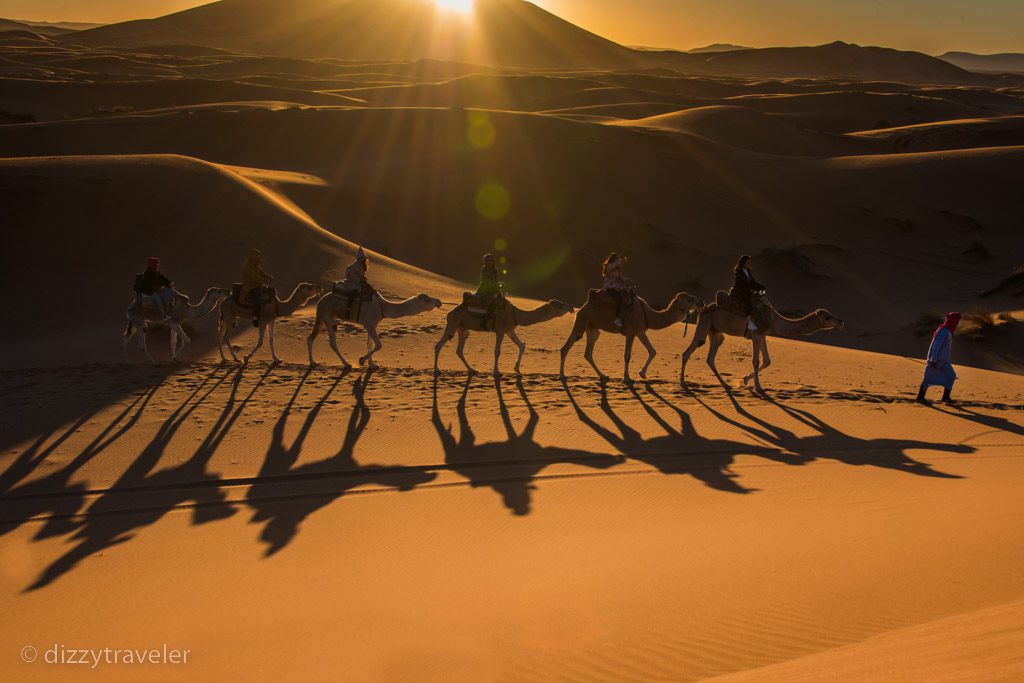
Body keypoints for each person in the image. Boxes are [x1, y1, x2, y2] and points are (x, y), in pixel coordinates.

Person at [917, 312, 961, 404]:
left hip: (944, 360)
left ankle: (945, 397)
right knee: (927, 378)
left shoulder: (948, 331)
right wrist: (933, 360)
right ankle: (920, 397)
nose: (957, 322)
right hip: (936, 360)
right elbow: (936, 346)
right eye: (956, 320)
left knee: (951, 376)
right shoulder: (943, 331)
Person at [730, 254, 765, 337]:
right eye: (747, 262)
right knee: (748, 301)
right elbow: (743, 283)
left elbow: (752, 282)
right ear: (743, 262)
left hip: (747, 290)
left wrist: (761, 287)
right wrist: (753, 288)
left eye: (749, 262)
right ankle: (749, 323)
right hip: (739, 291)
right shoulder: (739, 271)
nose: (749, 263)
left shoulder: (748, 271)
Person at [336, 247, 371, 319]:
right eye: (363, 258)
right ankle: (348, 309)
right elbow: (352, 275)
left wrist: (363, 279)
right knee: (354, 293)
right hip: (352, 283)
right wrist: (360, 280)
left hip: (358, 282)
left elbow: (360, 275)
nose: (364, 259)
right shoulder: (356, 265)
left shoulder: (361, 265)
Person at [242, 249, 273, 327]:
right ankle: (255, 318)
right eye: (257, 256)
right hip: (251, 286)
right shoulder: (248, 265)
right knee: (258, 299)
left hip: (257, 284)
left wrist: (268, 276)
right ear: (253, 256)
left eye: (259, 256)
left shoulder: (256, 265)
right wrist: (264, 280)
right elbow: (254, 277)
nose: (259, 257)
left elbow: (261, 272)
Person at [475, 253, 504, 330]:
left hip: (494, 289)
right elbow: (484, 281)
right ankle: (484, 322)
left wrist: (498, 284)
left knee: (502, 301)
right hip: (484, 289)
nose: (490, 262)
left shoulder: (495, 270)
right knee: (491, 302)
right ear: (485, 261)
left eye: (491, 260)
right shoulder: (484, 269)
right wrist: (493, 285)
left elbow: (496, 280)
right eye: (488, 260)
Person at [140, 257, 174, 321]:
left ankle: (169, 306)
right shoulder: (147, 273)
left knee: (170, 291)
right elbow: (153, 282)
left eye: (158, 264)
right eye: (156, 264)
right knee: (158, 298)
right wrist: (164, 284)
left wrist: (169, 283)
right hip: (149, 291)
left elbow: (162, 278)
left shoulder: (156, 271)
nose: (158, 265)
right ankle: (164, 314)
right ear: (152, 265)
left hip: (156, 289)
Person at [602, 252, 631, 329]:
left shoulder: (616, 268)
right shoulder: (609, 266)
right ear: (614, 259)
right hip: (610, 287)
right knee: (619, 299)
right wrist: (623, 260)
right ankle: (617, 318)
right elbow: (615, 274)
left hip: (617, 286)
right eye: (617, 258)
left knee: (628, 296)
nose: (618, 260)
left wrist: (626, 279)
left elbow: (620, 278)